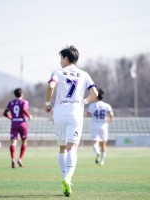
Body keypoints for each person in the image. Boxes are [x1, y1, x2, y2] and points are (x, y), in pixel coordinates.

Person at [45, 45, 98, 197]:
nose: (60, 61)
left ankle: (63, 179)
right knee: (72, 148)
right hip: (75, 114)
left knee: (62, 148)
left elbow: (50, 87)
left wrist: (47, 104)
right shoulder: (84, 74)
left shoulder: (58, 72)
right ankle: (68, 178)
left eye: (61, 58)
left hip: (59, 114)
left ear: (66, 58)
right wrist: (85, 101)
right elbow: (94, 93)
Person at [3, 88, 32, 168]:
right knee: (24, 142)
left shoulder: (11, 103)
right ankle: (20, 159)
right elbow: (24, 109)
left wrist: (11, 118)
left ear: (14, 94)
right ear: (22, 94)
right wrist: (29, 116)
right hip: (22, 124)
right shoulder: (24, 102)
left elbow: (5, 113)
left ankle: (13, 159)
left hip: (14, 124)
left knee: (13, 143)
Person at [87, 88, 114, 166]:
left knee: (95, 143)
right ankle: (102, 161)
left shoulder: (92, 105)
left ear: (96, 96)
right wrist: (109, 120)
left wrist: (92, 116)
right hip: (104, 126)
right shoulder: (107, 105)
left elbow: (88, 114)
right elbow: (111, 114)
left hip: (95, 125)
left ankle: (97, 153)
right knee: (103, 144)